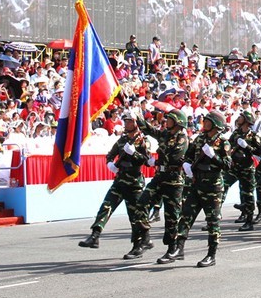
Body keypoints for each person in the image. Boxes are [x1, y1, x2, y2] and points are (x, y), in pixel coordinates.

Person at [78, 113, 149, 250]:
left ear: (135, 123)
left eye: (129, 121)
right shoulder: (122, 140)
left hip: (134, 183)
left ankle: (138, 244)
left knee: (135, 216)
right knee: (106, 207)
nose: (126, 124)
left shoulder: (142, 140)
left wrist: (134, 152)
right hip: (120, 180)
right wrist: (110, 164)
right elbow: (110, 155)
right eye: (125, 121)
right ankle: (95, 236)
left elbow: (146, 161)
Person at [127, 109, 189, 262]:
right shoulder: (165, 134)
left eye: (169, 119)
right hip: (160, 177)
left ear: (178, 122)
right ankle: (146, 236)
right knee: (141, 204)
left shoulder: (182, 139)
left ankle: (173, 249)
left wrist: (158, 159)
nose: (166, 121)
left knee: (171, 216)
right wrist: (138, 118)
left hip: (174, 180)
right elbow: (149, 129)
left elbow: (175, 157)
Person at [172, 110, 230, 267]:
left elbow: (227, 165)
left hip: (213, 187)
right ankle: (179, 248)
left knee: (212, 222)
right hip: (197, 184)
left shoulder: (223, 142)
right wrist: (186, 164)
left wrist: (213, 156)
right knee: (186, 216)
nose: (204, 122)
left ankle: (211, 254)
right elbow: (188, 155)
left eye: (208, 121)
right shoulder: (200, 139)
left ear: (215, 124)